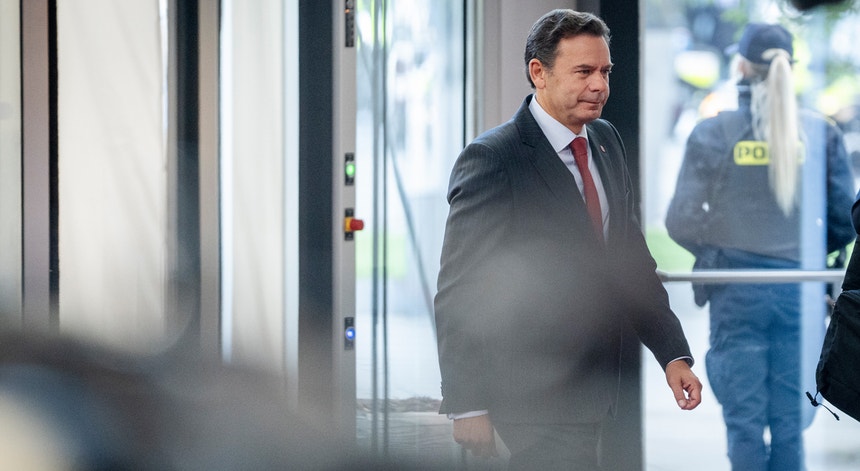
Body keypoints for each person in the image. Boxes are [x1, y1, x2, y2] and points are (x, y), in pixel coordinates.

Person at [434, 9, 702, 470]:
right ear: (539, 72)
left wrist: (672, 354)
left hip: (597, 389)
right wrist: (468, 403)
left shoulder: (606, 140)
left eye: (605, 72)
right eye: (584, 72)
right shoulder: (493, 158)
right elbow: (460, 288)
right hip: (528, 397)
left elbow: (629, 259)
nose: (599, 85)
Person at [665, 23, 855, 471]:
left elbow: (681, 219)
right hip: (801, 295)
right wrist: (807, 252)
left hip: (737, 293)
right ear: (792, 68)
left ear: (742, 68)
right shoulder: (821, 134)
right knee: (790, 427)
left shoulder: (713, 132)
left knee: (744, 426)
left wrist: (717, 254)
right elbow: (846, 220)